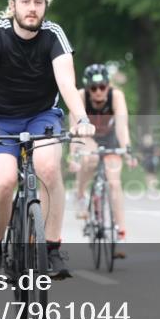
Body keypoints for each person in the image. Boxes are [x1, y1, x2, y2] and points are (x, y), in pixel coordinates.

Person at [0, 0, 95, 287]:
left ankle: (52, 249)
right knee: (5, 181)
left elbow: (67, 83)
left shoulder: (54, 35)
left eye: (39, 1)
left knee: (48, 168)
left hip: (42, 116)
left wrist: (82, 119)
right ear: (13, 4)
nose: (32, 7)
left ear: (46, 5)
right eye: (25, 1)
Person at [68, 63, 136, 259]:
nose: (98, 92)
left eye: (103, 87)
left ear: (108, 85)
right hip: (87, 137)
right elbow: (75, 129)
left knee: (114, 183)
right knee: (89, 157)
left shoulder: (117, 96)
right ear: (88, 88)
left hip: (110, 137)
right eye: (94, 88)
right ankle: (80, 194)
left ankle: (120, 234)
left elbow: (122, 126)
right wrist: (74, 155)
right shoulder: (80, 97)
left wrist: (128, 151)